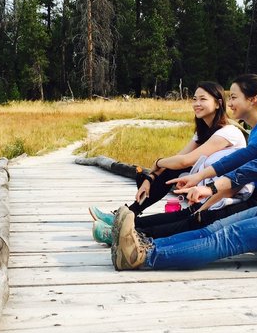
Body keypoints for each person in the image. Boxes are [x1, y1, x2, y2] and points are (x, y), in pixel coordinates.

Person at [111, 55, 257, 271]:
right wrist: (201, 176)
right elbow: (252, 152)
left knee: (227, 237)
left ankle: (144, 256)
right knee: (212, 229)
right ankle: (144, 244)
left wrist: (213, 187)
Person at [91, 74, 257, 243]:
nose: (230, 103)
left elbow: (239, 175)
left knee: (197, 218)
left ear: (252, 99)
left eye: (233, 97)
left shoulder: (245, 131)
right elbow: (181, 159)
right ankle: (126, 223)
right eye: (194, 99)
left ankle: (129, 233)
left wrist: (207, 195)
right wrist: (151, 176)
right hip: (229, 189)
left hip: (255, 197)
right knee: (189, 209)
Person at [89, 81, 244, 226]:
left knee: (172, 168)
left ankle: (128, 219)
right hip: (206, 183)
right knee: (170, 169)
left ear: (218, 103)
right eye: (194, 99)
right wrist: (150, 177)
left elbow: (185, 161)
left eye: (203, 99)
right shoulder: (203, 131)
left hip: (224, 189)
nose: (197, 104)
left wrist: (157, 162)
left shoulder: (227, 132)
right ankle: (128, 214)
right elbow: (178, 158)